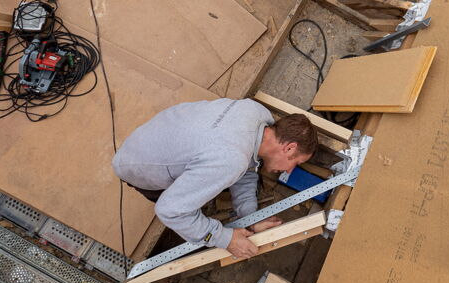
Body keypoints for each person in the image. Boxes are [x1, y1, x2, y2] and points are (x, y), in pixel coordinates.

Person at [112, 98, 317, 259]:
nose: (290, 170)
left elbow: (246, 166)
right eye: (296, 163)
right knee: (183, 212)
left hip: (155, 133)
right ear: (289, 147)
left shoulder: (257, 113)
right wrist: (225, 239)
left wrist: (249, 216)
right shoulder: (229, 159)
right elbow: (169, 211)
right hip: (135, 163)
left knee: (211, 176)